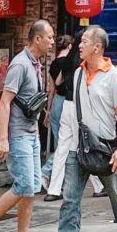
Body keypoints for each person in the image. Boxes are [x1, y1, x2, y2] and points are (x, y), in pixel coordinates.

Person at [42, 25, 117, 232]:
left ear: (97, 47)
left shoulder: (113, 76)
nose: (79, 45)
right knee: (70, 200)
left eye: (84, 41)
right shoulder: (77, 74)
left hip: (105, 148)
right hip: (78, 147)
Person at [0, 19, 54, 232]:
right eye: (49, 37)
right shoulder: (20, 65)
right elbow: (5, 103)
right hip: (18, 133)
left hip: (31, 132)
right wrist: (3, 139)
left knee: (31, 187)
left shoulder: (37, 64)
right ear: (37, 38)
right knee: (23, 185)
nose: (52, 41)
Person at [43, 33, 77, 194]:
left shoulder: (54, 63)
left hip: (56, 101)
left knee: (60, 142)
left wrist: (48, 110)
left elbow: (51, 88)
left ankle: (58, 178)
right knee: (64, 145)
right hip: (66, 101)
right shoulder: (68, 63)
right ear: (70, 46)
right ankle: (46, 171)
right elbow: (58, 82)